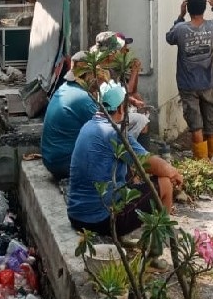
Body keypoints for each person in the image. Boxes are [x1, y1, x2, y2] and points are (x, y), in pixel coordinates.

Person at [67, 80, 183, 235]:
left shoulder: (88, 126)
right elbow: (148, 163)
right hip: (101, 220)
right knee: (165, 183)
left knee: (131, 175)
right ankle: (159, 243)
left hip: (76, 215)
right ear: (121, 108)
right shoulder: (113, 132)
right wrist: (173, 172)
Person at [165, 0, 213, 160]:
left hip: (187, 87)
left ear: (189, 8)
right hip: (207, 84)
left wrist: (180, 16)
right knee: (210, 126)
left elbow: (169, 38)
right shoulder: (212, 27)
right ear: (204, 8)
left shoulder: (180, 29)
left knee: (196, 127)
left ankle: (201, 166)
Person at [40, 51, 99, 179]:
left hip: (51, 160)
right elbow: (108, 130)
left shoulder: (64, 88)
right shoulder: (83, 99)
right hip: (64, 164)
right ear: (88, 75)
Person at [92, 31, 151, 143]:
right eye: (119, 49)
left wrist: (132, 100)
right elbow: (125, 91)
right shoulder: (100, 70)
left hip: (110, 108)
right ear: (110, 53)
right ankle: (128, 149)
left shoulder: (112, 65)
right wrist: (134, 71)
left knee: (138, 105)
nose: (125, 50)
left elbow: (129, 91)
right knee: (141, 120)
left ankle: (134, 150)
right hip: (105, 112)